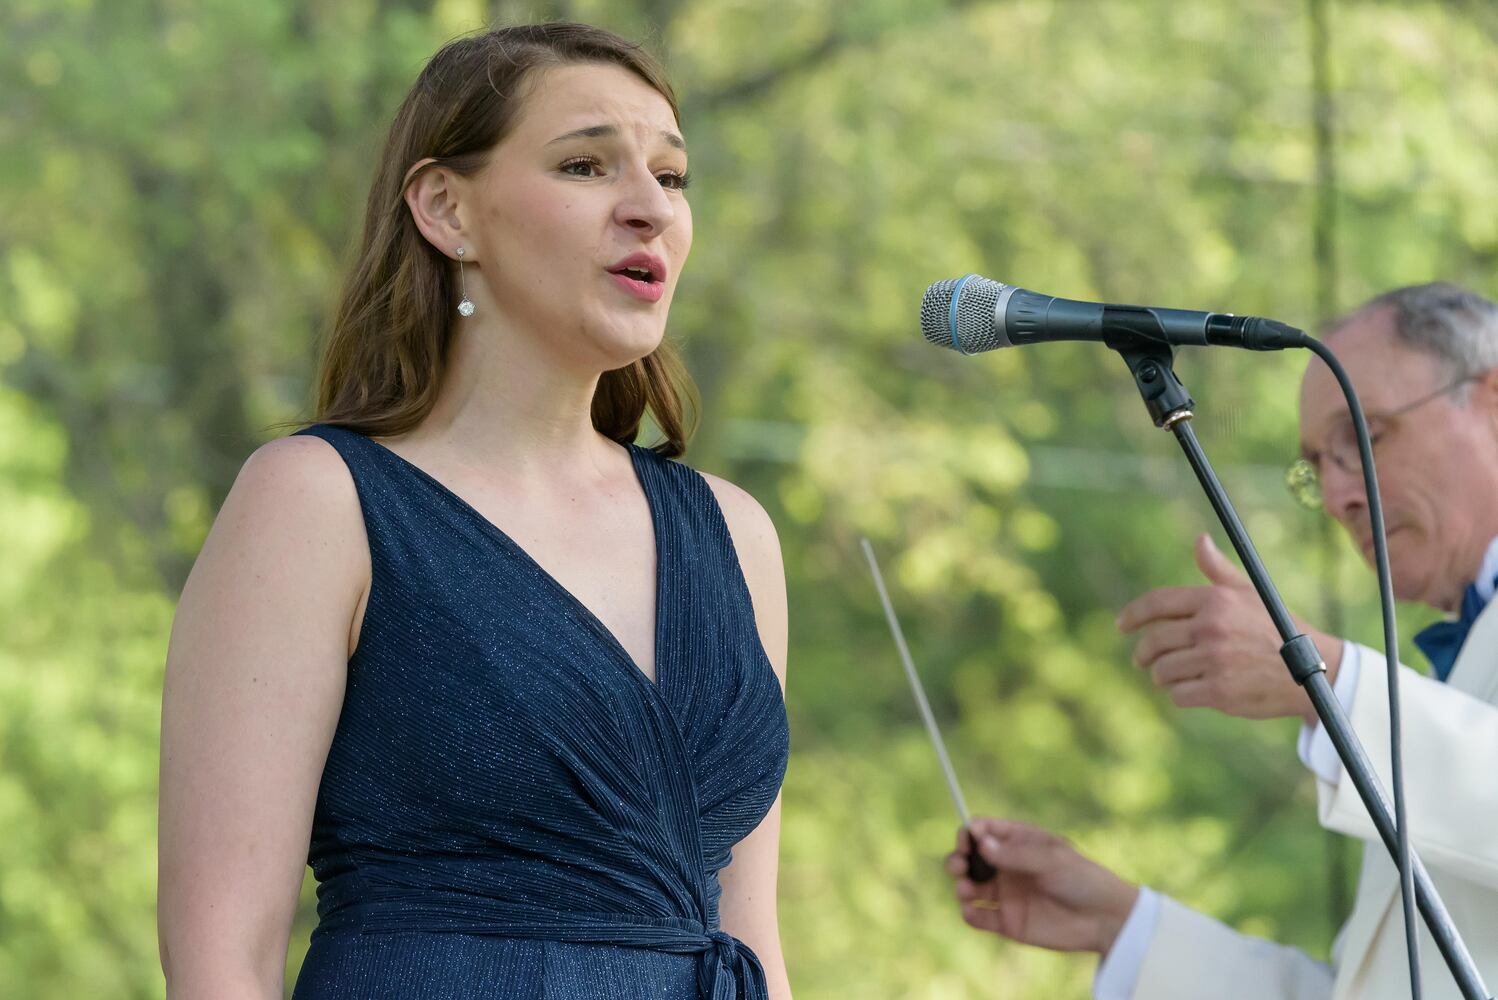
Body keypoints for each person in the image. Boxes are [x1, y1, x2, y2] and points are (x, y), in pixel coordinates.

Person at [157, 24, 792, 1000]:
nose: (649, 211)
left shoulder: (734, 535)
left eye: (671, 178)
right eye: (587, 165)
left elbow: (752, 944)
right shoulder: (318, 501)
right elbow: (219, 962)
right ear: (447, 209)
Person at [946, 282, 1498, 999]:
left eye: (1365, 436)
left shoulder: (1401, 712)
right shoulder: (1443, 682)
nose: (1337, 496)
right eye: (1317, 467)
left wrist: (1328, 678)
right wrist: (1124, 926)